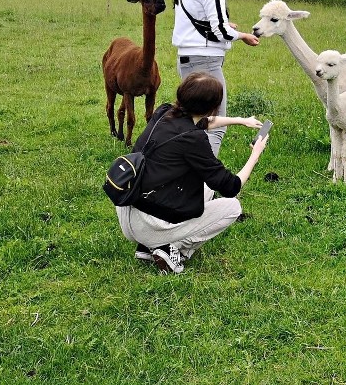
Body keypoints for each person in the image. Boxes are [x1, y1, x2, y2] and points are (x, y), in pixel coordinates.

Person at [115, 72, 269, 274]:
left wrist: (240, 120)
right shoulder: (193, 140)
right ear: (212, 107)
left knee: (204, 185)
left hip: (127, 209)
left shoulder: (164, 112)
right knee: (232, 207)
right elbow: (231, 186)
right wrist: (255, 155)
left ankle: (147, 246)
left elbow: (201, 122)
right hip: (148, 223)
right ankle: (172, 250)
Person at [172, 0, 259, 157]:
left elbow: (198, 21)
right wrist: (243, 36)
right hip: (207, 62)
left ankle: (183, 176)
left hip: (185, 59)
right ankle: (206, 183)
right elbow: (220, 31)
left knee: (191, 121)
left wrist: (226, 25)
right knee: (215, 123)